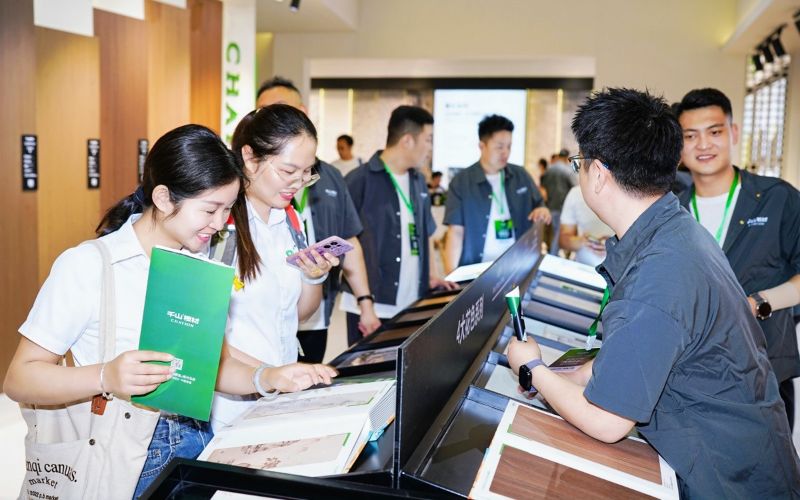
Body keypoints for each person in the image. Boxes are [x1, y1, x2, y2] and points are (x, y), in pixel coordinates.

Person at [3, 124, 336, 498]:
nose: (219, 224)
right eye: (210, 209)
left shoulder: (197, 264)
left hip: (196, 442)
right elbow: (20, 378)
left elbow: (212, 366)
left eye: (228, 209)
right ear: (163, 198)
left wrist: (269, 376)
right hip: (122, 455)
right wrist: (106, 376)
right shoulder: (90, 265)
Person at [508, 88, 800, 497]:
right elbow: (643, 351)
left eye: (580, 163)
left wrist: (532, 368)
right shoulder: (675, 231)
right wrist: (571, 376)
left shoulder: (656, 274)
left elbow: (607, 421)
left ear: (599, 174)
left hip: (728, 480)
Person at [210, 104, 348, 429]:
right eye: (288, 171)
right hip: (228, 404)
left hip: (277, 392)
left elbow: (297, 314)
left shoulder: (289, 219)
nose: (298, 183)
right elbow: (205, 338)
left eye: (307, 172)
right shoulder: (218, 227)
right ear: (250, 157)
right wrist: (269, 375)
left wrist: (314, 278)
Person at [675, 87, 800, 429]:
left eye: (714, 132)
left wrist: (758, 302)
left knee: (770, 460)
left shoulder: (777, 199)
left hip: (764, 370)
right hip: (692, 372)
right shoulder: (672, 212)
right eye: (690, 136)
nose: (703, 145)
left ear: (733, 132)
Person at [255, 77, 381, 360]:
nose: (271, 120)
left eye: (281, 109)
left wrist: (365, 302)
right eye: (262, 112)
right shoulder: (245, 185)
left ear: (302, 112)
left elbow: (349, 240)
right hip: (262, 318)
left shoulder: (331, 177)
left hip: (314, 312)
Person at [342, 105, 457, 346]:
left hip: (412, 302)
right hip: (371, 307)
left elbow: (425, 232)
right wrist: (365, 304)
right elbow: (346, 244)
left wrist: (432, 275)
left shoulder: (418, 181)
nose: (430, 148)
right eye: (428, 139)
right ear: (407, 140)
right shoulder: (359, 181)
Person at [443, 114, 550, 274]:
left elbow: (539, 205)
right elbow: (455, 233)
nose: (505, 152)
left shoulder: (520, 175)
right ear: (482, 146)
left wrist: (542, 210)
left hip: (518, 267)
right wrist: (451, 276)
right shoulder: (461, 182)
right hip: (476, 271)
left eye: (509, 146)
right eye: (499, 147)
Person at [558, 185, 614, 266]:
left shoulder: (626, 193)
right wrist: (581, 241)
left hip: (618, 270)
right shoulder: (575, 193)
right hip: (583, 267)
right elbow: (563, 241)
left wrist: (615, 245)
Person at [540, 148, 576, 255]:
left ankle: (553, 254)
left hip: (550, 206)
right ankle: (553, 255)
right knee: (558, 233)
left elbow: (543, 187)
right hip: (563, 207)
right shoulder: (568, 170)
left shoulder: (549, 169)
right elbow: (574, 188)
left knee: (555, 232)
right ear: (566, 157)